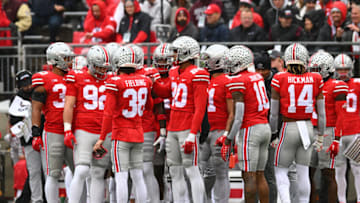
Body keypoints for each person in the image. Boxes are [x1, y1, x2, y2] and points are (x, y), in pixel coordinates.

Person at [152, 36, 208, 203]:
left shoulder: (199, 74)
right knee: (174, 171)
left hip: (187, 127)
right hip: (173, 128)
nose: (173, 56)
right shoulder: (174, 71)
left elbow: (200, 108)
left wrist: (193, 133)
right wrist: (153, 82)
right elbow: (164, 92)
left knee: (191, 169)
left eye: (176, 52)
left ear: (187, 53)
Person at [94, 46, 152, 202]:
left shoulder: (115, 82)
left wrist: (101, 138)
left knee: (121, 176)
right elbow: (149, 107)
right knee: (138, 175)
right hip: (138, 133)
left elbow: (108, 113)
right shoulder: (145, 81)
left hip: (121, 135)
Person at [270, 43, 325, 203]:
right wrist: (320, 135)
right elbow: (321, 113)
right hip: (307, 127)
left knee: (280, 170)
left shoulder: (279, 78)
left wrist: (274, 133)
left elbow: (274, 113)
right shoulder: (316, 78)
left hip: (289, 127)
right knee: (303, 171)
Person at [219, 45, 271, 203]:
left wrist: (228, 139)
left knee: (249, 177)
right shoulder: (257, 76)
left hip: (251, 129)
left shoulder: (239, 80)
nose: (228, 65)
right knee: (260, 175)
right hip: (264, 126)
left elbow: (238, 116)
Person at [63, 45, 112, 203]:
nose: (101, 71)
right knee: (82, 169)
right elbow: (69, 105)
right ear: (90, 63)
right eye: (98, 67)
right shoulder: (77, 77)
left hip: (104, 132)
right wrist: (67, 129)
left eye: (104, 67)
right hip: (84, 129)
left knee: (98, 173)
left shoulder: (111, 79)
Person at [31, 42, 75, 202]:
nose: (70, 61)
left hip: (73, 130)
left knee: (80, 171)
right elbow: (36, 108)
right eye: (66, 58)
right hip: (53, 130)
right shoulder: (44, 80)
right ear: (55, 60)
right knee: (53, 173)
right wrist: (35, 132)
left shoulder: (74, 77)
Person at [307, 51, 348, 203]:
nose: (312, 73)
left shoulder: (336, 86)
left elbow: (341, 115)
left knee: (328, 174)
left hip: (328, 131)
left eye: (316, 69)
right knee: (307, 173)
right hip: (310, 130)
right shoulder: (310, 85)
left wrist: (337, 138)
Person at [199, 44, 231, 202]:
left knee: (219, 172)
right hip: (209, 130)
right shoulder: (206, 79)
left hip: (217, 130)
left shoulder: (225, 81)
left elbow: (232, 111)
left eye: (208, 60)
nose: (205, 63)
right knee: (208, 171)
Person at [131, 44, 162, 203]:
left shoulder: (149, 75)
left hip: (145, 126)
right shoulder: (145, 75)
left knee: (146, 168)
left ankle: (154, 200)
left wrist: (161, 129)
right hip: (132, 126)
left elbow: (157, 103)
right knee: (136, 170)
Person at [8, 70, 43, 203]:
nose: (28, 87)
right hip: (28, 139)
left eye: (29, 83)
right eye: (24, 84)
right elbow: (14, 122)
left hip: (45, 135)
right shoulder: (16, 99)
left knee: (48, 171)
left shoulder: (39, 92)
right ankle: (36, 200)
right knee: (34, 171)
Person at [333, 53, 360, 203]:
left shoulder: (355, 83)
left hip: (354, 131)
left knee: (357, 169)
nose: (343, 73)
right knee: (340, 169)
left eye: (346, 69)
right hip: (339, 134)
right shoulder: (332, 85)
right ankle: (341, 200)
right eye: (340, 69)